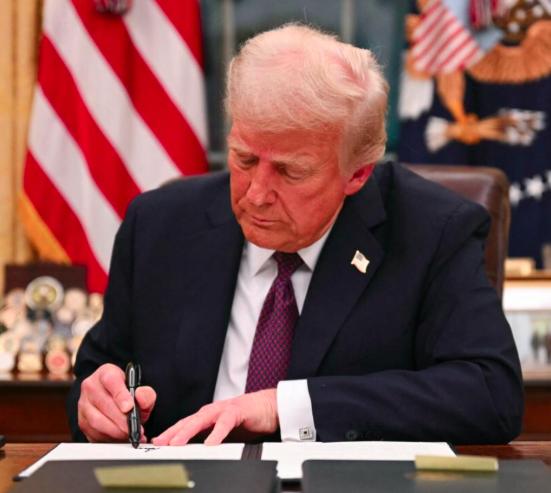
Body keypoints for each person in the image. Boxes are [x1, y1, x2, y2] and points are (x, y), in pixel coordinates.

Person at [68, 24, 523, 445]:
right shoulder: (160, 225)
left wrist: (285, 408)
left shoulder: (431, 231)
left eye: (291, 171)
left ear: (357, 174)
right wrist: (97, 405)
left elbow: (490, 394)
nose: (257, 194)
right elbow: (98, 372)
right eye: (245, 159)